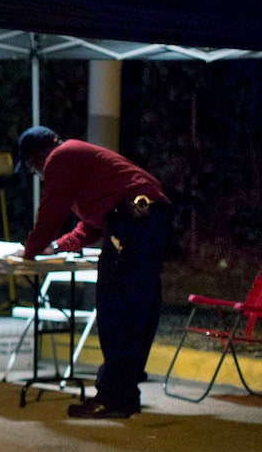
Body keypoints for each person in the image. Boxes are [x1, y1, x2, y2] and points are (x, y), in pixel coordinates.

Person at [15, 125, 172, 419]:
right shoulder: (80, 160)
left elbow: (51, 210)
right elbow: (92, 223)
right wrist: (59, 245)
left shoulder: (61, 157)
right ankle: (124, 393)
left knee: (115, 311)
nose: (39, 174)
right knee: (136, 311)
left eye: (34, 169)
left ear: (38, 159)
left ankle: (114, 397)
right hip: (145, 219)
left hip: (134, 222)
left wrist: (29, 250)